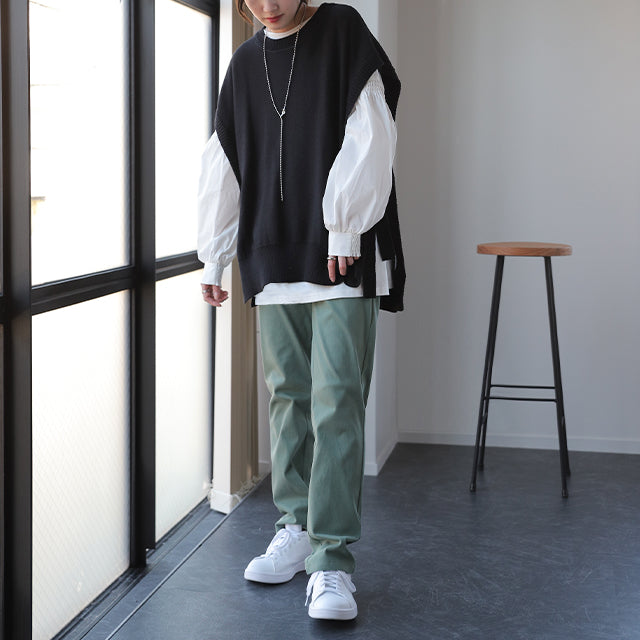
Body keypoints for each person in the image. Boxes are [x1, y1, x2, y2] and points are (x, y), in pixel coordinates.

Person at [197, 0, 404, 621]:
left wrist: (343, 227)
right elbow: (225, 160)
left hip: (340, 253)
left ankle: (332, 560)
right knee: (288, 395)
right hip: (271, 252)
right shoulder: (243, 64)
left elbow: (372, 131)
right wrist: (213, 257)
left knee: (337, 400)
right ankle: (295, 527)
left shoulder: (342, 29)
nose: (268, 5)